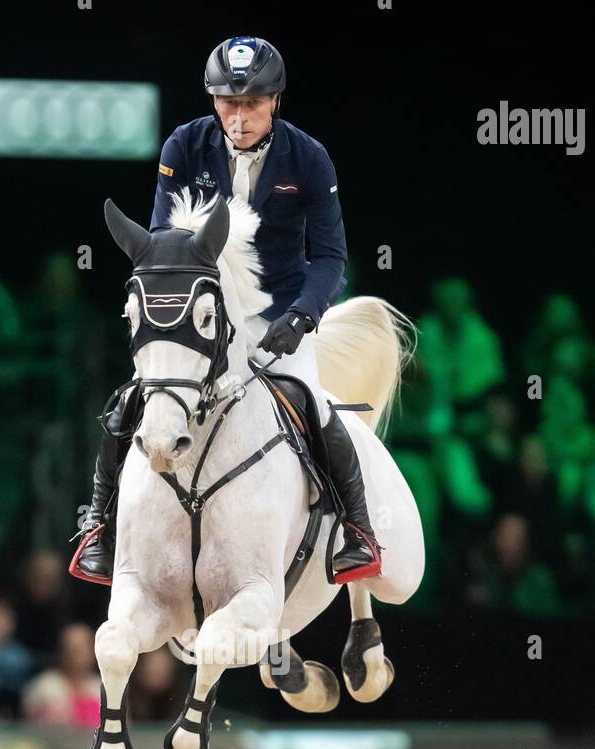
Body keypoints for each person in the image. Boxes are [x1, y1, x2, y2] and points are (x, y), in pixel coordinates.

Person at [73, 35, 381, 587]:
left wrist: (304, 316)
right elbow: (165, 242)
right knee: (134, 399)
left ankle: (358, 530)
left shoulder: (308, 158)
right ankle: (97, 524)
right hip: (204, 314)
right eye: (228, 103)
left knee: (312, 402)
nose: (238, 118)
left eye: (252, 104)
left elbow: (331, 255)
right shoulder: (184, 146)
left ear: (276, 100)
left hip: (280, 314)